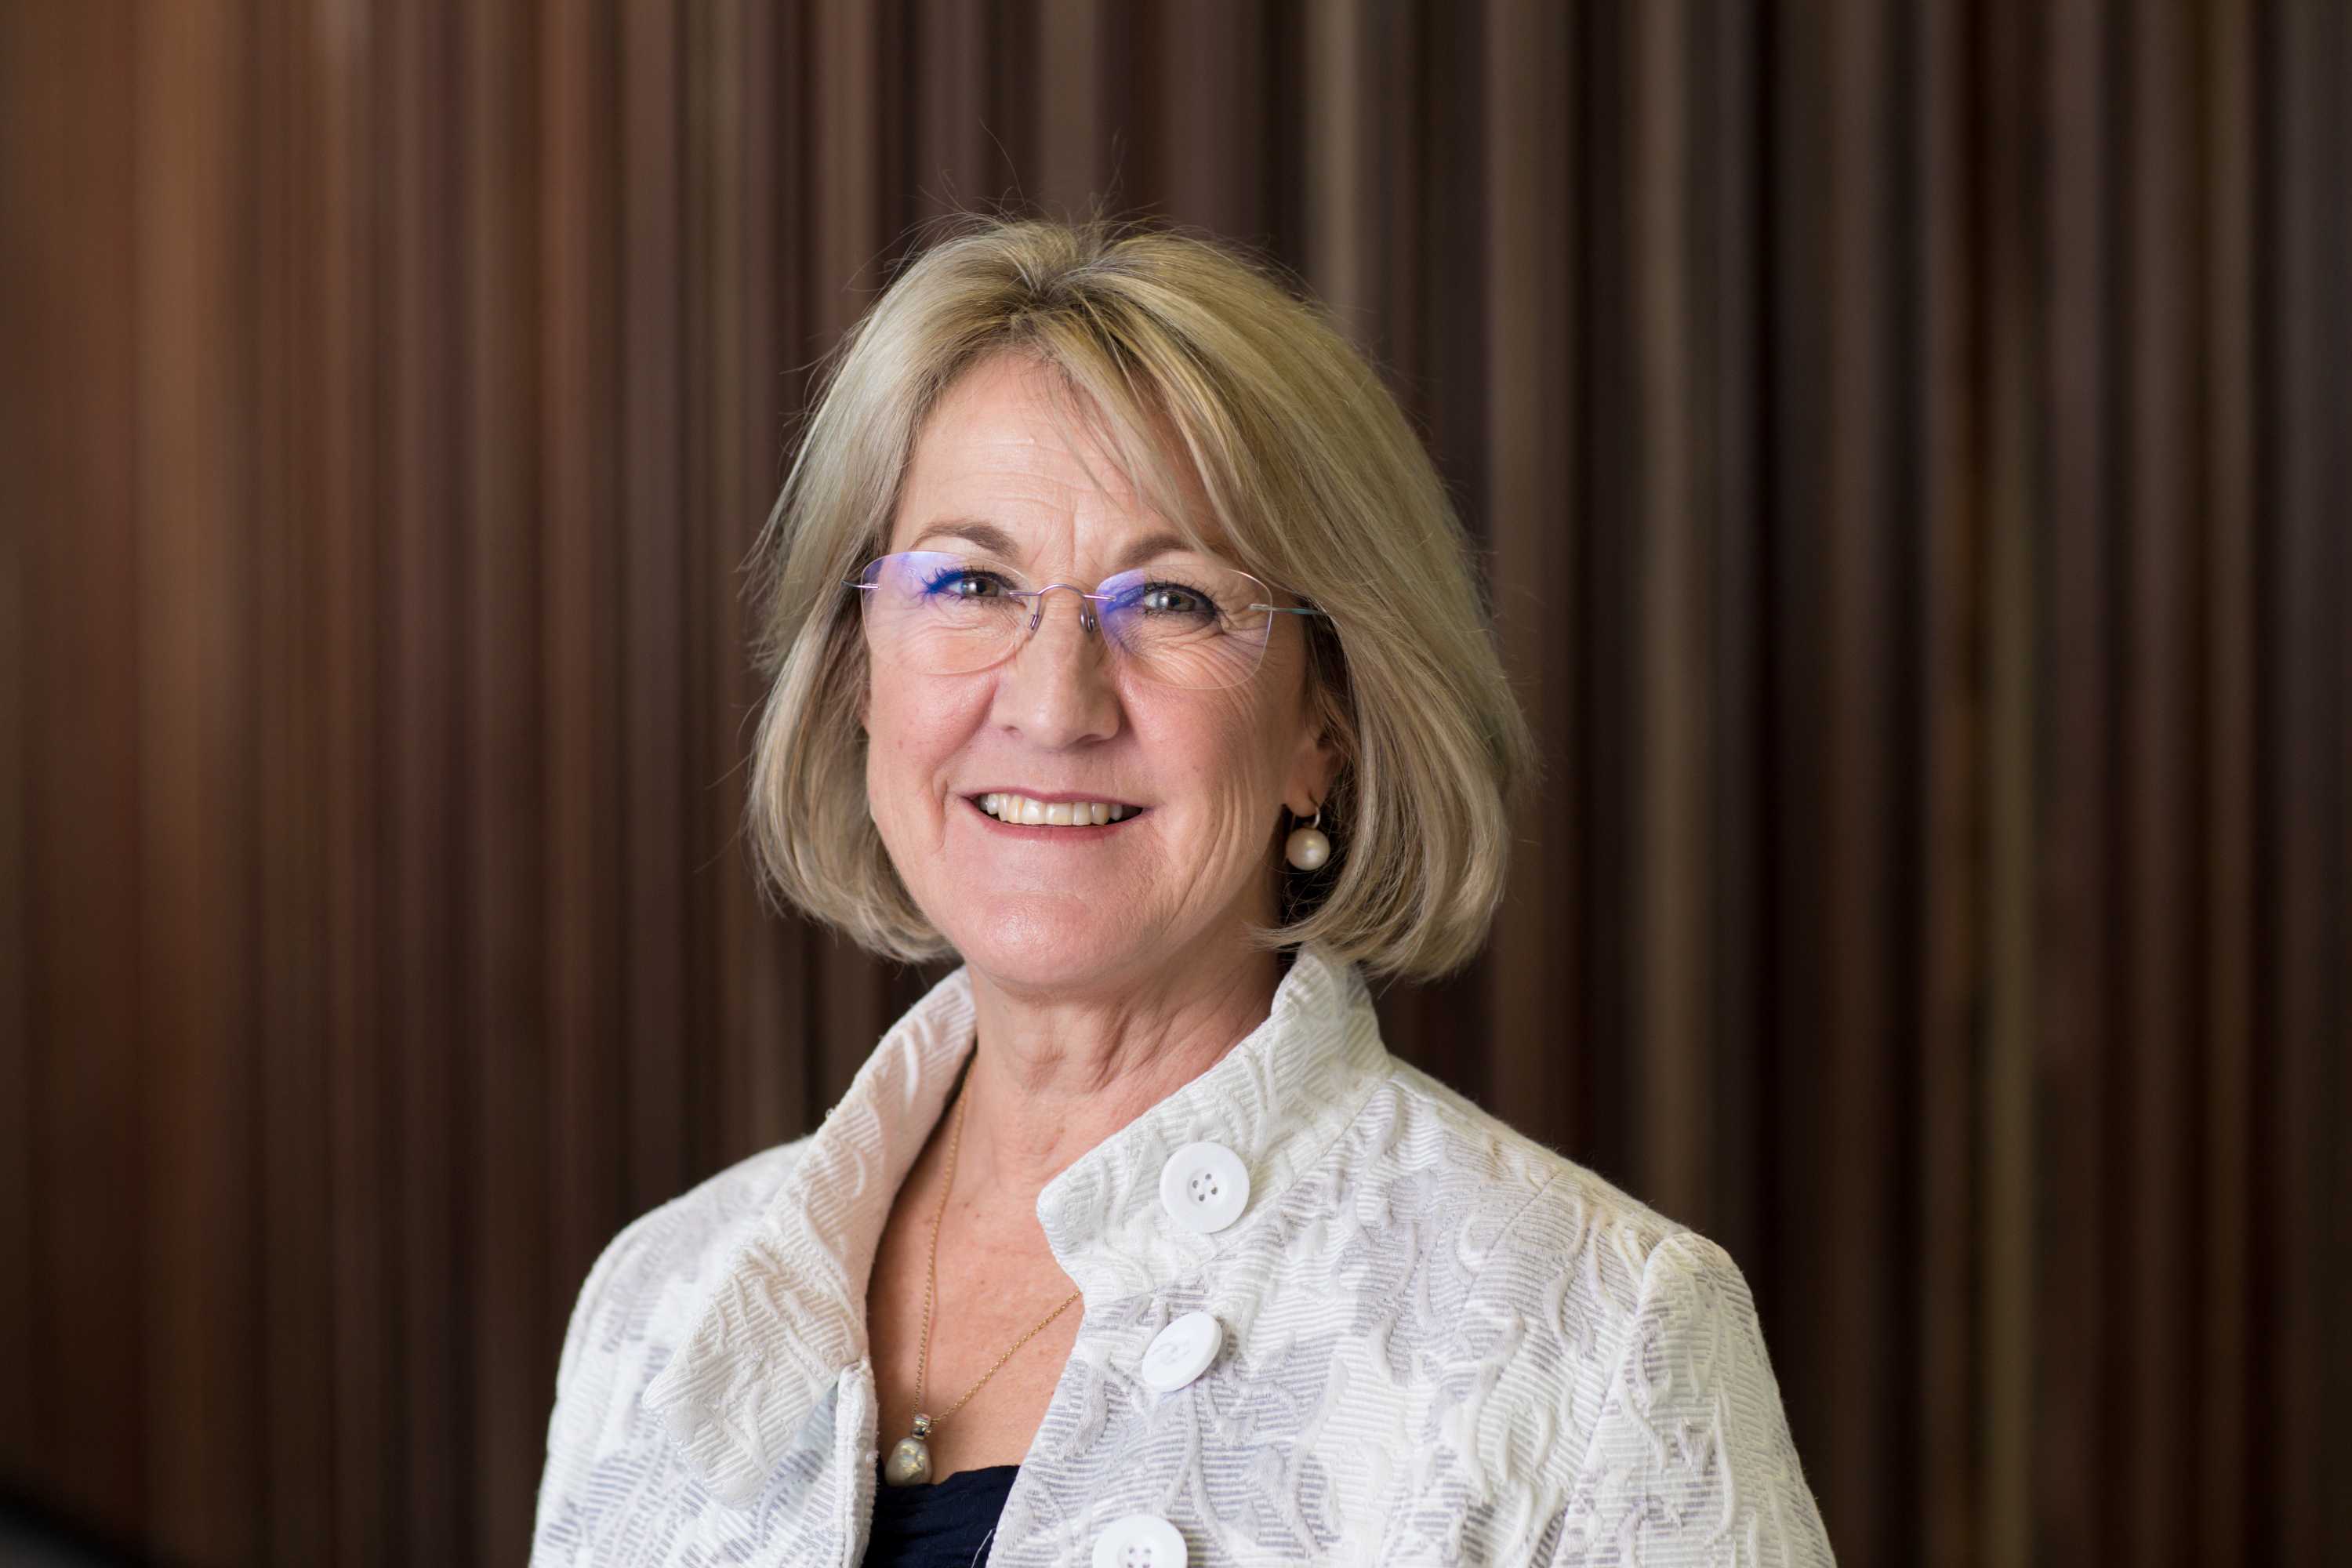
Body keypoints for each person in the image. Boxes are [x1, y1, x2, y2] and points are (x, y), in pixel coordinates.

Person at [529, 213, 1835, 1567]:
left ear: (1326, 724)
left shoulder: (1599, 1337)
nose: (1054, 703)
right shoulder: (660, 1307)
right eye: (971, 581)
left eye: (1173, 602)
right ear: (862, 673)